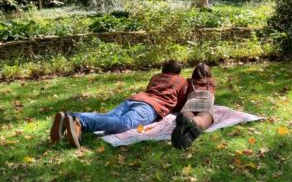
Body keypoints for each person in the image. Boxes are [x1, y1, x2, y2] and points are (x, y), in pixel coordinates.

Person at [50, 60, 188, 148]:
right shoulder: (181, 81)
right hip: (151, 106)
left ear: (163, 69)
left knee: (109, 118)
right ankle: (80, 120)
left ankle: (69, 117)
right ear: (178, 71)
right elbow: (180, 103)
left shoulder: (156, 76)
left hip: (133, 99)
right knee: (123, 124)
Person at [171, 63, 216, 149]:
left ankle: (185, 121)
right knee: (202, 119)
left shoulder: (189, 81)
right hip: (206, 100)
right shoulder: (211, 81)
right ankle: (193, 123)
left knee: (187, 113)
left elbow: (184, 94)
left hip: (191, 100)